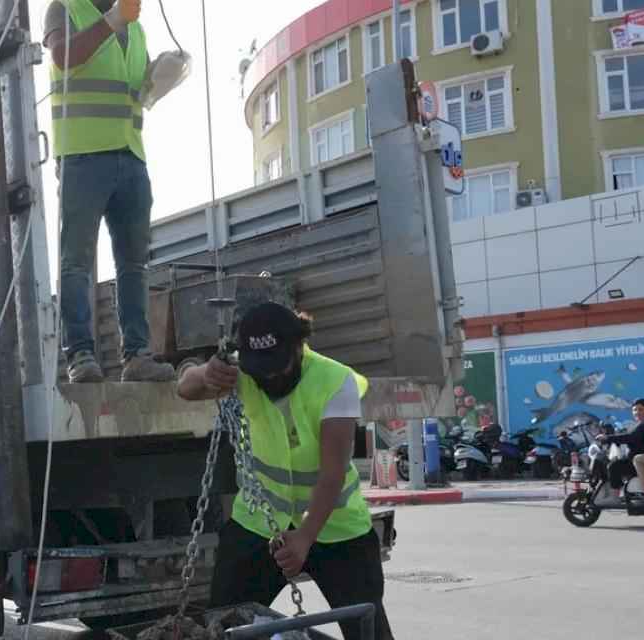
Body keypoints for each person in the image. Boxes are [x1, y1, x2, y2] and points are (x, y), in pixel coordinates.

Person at [176, 302, 394, 640]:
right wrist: (205, 373)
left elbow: (332, 472)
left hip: (337, 526)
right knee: (222, 625)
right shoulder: (246, 373)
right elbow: (186, 388)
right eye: (261, 371)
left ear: (298, 346)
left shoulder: (335, 380)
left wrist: (305, 536)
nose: (271, 377)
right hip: (259, 522)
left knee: (368, 630)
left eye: (278, 367)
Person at [44, 0, 175, 383]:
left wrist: (161, 77)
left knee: (134, 262)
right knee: (76, 261)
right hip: (82, 156)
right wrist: (114, 19)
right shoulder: (65, 8)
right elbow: (62, 56)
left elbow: (138, 90)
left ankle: (137, 355)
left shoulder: (135, 28)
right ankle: (80, 355)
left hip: (131, 155)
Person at [598, 398, 644, 491]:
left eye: (641, 409)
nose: (637, 412)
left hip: (642, 461)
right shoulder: (642, 423)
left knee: (614, 467)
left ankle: (616, 496)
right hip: (637, 458)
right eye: (635, 410)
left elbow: (632, 437)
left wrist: (608, 438)